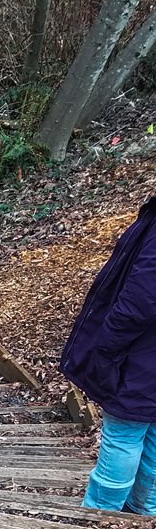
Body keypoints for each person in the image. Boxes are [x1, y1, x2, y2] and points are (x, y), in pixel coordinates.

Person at [60, 195, 156, 513]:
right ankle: (144, 515)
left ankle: (100, 515)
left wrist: (108, 343)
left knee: (123, 432)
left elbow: (142, 298)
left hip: (143, 354)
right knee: (152, 434)